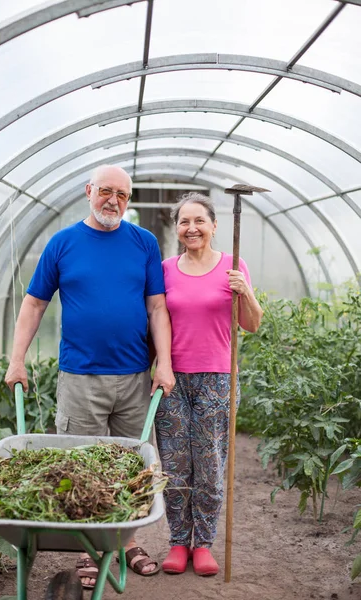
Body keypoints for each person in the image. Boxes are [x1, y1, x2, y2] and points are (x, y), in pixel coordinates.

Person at [5, 165, 175, 588]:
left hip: (135, 377)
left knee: (131, 466)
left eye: (121, 193)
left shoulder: (143, 243)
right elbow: (33, 305)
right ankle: (84, 547)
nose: (113, 200)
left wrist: (165, 363)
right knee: (80, 465)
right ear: (88, 191)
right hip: (80, 379)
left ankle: (126, 541)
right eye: (105, 191)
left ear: (129, 200)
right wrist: (16, 359)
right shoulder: (63, 243)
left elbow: (157, 307)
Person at [155, 192, 263, 577]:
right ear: (177, 227)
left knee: (210, 463)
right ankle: (177, 542)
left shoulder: (234, 266)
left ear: (214, 225)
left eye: (199, 220)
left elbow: (251, 324)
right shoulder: (165, 268)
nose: (192, 228)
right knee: (174, 464)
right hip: (172, 379)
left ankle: (203, 544)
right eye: (184, 221)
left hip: (218, 379)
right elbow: (155, 319)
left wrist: (245, 291)